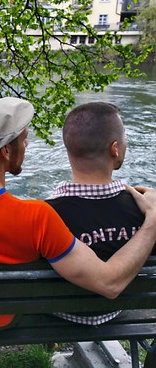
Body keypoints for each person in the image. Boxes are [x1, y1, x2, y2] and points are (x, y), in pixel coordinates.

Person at [0, 97, 156, 332]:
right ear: (5, 151)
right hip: (5, 320)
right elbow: (107, 282)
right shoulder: (36, 216)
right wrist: (151, 223)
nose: (26, 145)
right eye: (23, 139)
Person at [46, 101, 156, 325]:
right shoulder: (145, 210)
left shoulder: (45, 214)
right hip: (120, 309)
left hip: (62, 313)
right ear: (114, 148)